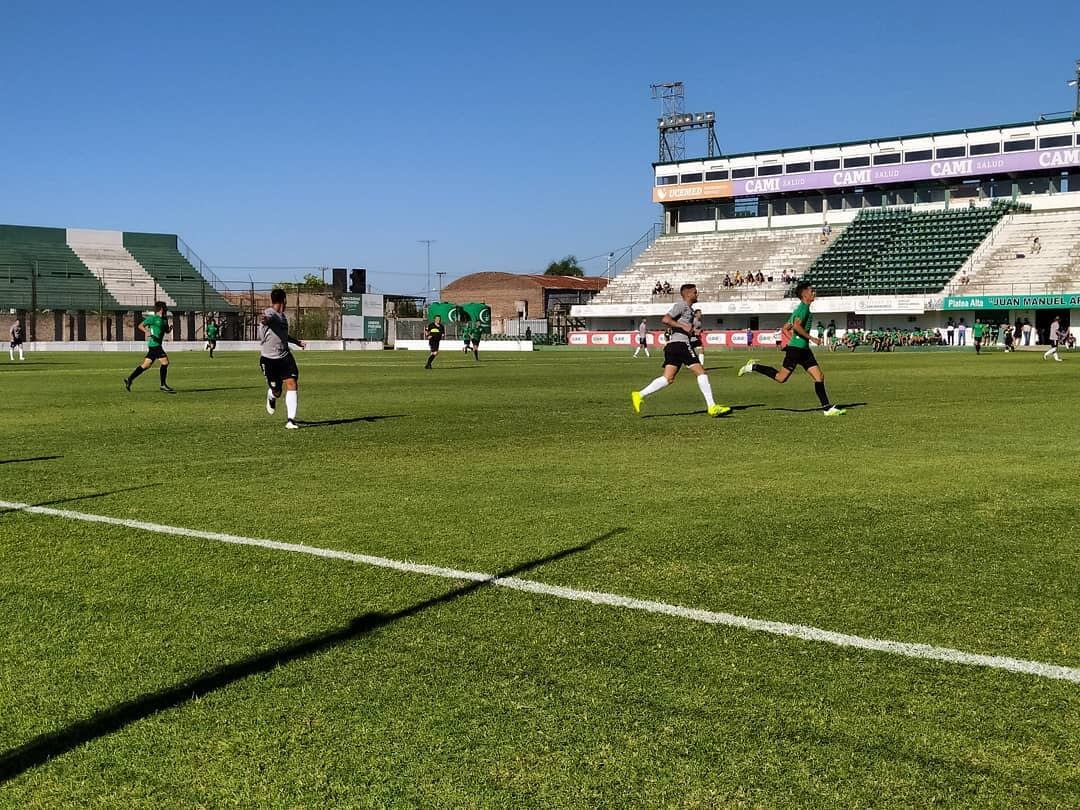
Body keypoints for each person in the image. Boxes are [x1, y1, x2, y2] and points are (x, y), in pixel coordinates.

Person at [737, 281, 845, 416]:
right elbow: (797, 326)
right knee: (780, 378)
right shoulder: (803, 309)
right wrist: (811, 338)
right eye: (812, 291)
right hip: (797, 350)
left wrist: (793, 340)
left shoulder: (801, 308)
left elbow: (785, 328)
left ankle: (827, 409)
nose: (814, 293)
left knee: (819, 377)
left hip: (802, 349)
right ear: (805, 294)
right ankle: (753, 367)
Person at [630, 283, 729, 418]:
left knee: (667, 378)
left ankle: (639, 394)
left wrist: (692, 331)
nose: (697, 294)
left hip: (674, 345)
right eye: (695, 292)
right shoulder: (681, 305)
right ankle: (712, 407)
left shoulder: (690, 310)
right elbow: (665, 319)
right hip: (680, 344)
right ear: (688, 294)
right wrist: (683, 326)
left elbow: (682, 327)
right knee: (701, 373)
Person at [260, 288, 307, 428]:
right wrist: (265, 320)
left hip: (284, 356)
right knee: (277, 391)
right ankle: (272, 395)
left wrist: (297, 342)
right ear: (284, 300)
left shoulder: (283, 317)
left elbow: (283, 335)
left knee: (292, 383)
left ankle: (291, 420)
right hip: (269, 360)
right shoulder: (271, 313)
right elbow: (267, 318)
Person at [124, 302, 175, 393]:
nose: (166, 311)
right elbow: (140, 326)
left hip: (156, 345)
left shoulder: (164, 319)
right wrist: (147, 331)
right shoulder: (153, 318)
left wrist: (170, 329)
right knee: (165, 362)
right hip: (154, 344)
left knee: (146, 365)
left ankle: (130, 379)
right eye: (165, 309)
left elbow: (166, 331)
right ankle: (163, 385)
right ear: (161, 309)